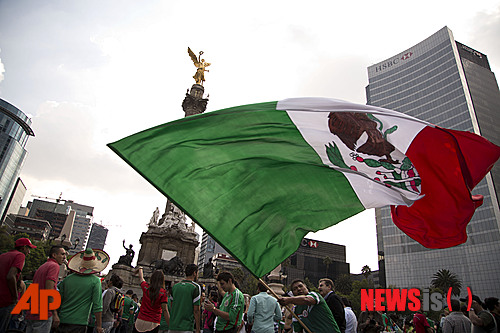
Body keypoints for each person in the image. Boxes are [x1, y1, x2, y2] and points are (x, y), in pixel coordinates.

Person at [56, 248, 109, 333]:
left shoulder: (67, 279)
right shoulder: (95, 281)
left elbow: (59, 300)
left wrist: (55, 315)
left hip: (62, 319)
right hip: (79, 323)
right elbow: (97, 306)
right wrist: (99, 325)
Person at [25, 244, 66, 332]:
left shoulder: (43, 266)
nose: (64, 257)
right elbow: (49, 290)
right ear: (54, 255)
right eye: (62, 254)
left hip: (33, 309)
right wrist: (54, 313)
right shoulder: (54, 266)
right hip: (43, 311)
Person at [0, 237, 36, 332]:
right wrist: (15, 298)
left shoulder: (4, 255)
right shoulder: (20, 256)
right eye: (29, 249)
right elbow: (10, 276)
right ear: (23, 248)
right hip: (6, 300)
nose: (29, 252)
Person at [133, 267, 169, 333]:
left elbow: (141, 278)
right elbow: (165, 310)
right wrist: (170, 324)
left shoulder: (146, 287)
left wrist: (140, 269)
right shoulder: (163, 293)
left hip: (140, 320)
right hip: (153, 322)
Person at [168, 263, 201, 333]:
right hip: (186, 327)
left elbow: (171, 306)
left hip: (172, 326)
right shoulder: (195, 287)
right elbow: (196, 310)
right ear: (194, 273)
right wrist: (198, 328)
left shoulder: (175, 286)